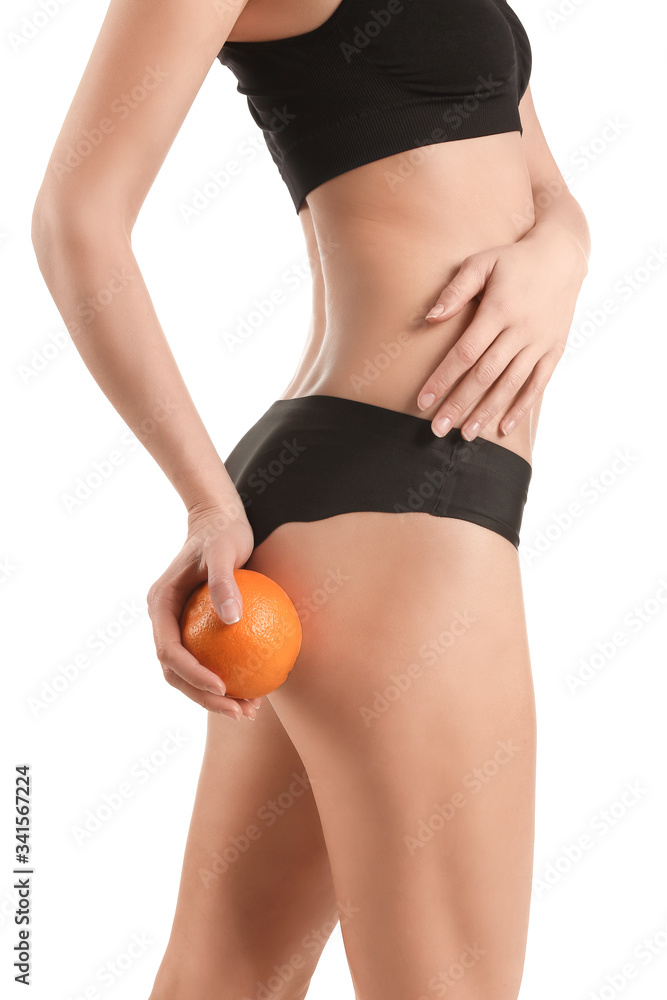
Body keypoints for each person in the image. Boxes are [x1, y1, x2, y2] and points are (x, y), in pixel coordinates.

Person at [31, 0, 591, 997]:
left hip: (364, 502)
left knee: (226, 976)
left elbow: (541, 181)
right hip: (400, 514)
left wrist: (563, 251)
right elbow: (76, 217)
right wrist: (205, 501)